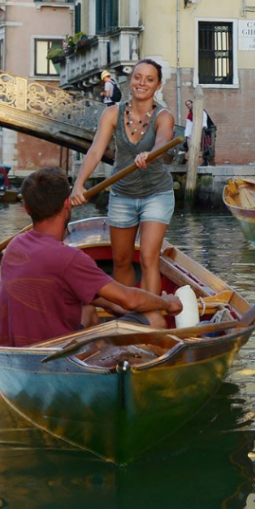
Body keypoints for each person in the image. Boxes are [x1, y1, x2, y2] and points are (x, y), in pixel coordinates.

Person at [0, 167, 182, 348]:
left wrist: (115, 305)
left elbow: (110, 300)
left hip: (18, 350)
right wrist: (167, 302)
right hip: (56, 353)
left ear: (26, 208)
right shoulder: (69, 259)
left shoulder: (14, 246)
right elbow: (130, 299)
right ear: (67, 204)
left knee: (88, 311)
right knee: (155, 319)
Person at [70, 58, 176, 328]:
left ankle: (151, 319)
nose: (142, 83)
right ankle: (127, 316)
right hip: (122, 194)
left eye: (149, 79)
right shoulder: (113, 113)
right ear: (131, 80)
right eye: (138, 77)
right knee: (121, 260)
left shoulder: (164, 117)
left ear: (157, 85)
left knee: (149, 257)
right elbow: (95, 151)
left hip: (157, 194)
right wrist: (79, 185)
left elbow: (164, 140)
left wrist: (151, 154)